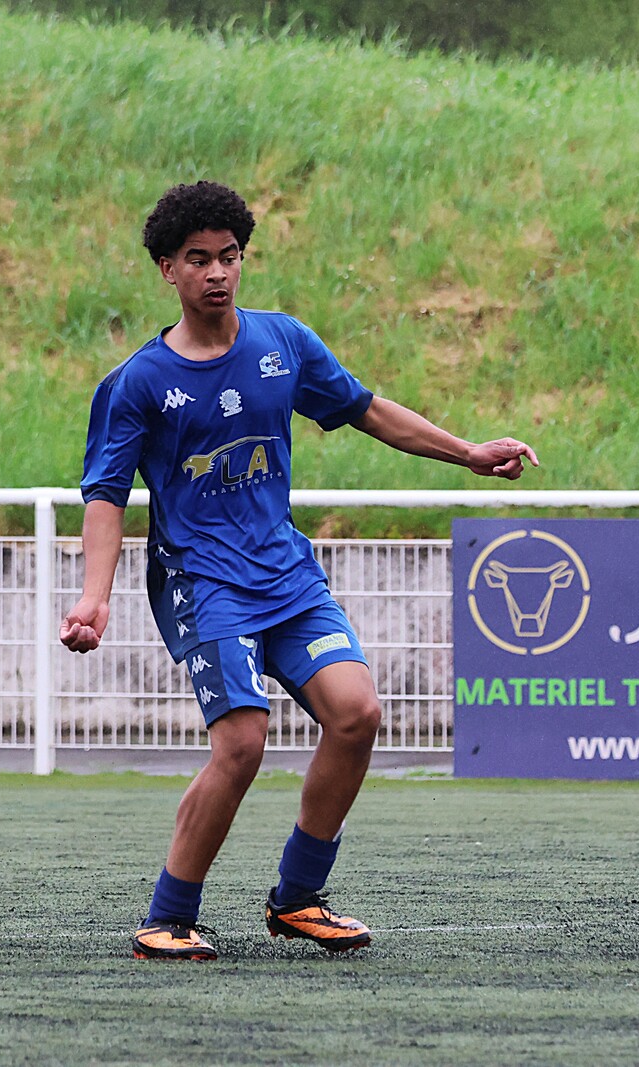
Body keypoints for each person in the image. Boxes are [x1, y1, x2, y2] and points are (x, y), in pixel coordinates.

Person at [61, 180, 538, 960]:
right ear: (167, 269)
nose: (217, 272)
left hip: (285, 573)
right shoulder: (137, 383)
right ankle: (167, 915)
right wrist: (94, 597)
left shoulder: (282, 342)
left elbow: (367, 408)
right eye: (198, 259)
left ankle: (297, 898)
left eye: (230, 256)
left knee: (357, 712)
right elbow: (106, 496)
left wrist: (469, 453)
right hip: (204, 581)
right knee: (243, 742)